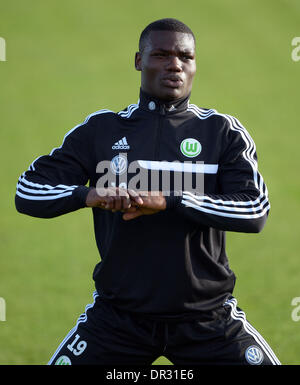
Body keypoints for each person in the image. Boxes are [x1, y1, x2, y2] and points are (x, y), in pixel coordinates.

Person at [15, 18, 280, 365]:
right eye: (162, 55)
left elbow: (255, 209)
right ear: (139, 61)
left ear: (195, 65)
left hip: (208, 321)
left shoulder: (222, 132)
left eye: (186, 57)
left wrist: (169, 201)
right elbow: (28, 190)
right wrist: (89, 196)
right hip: (118, 321)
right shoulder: (102, 130)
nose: (175, 65)